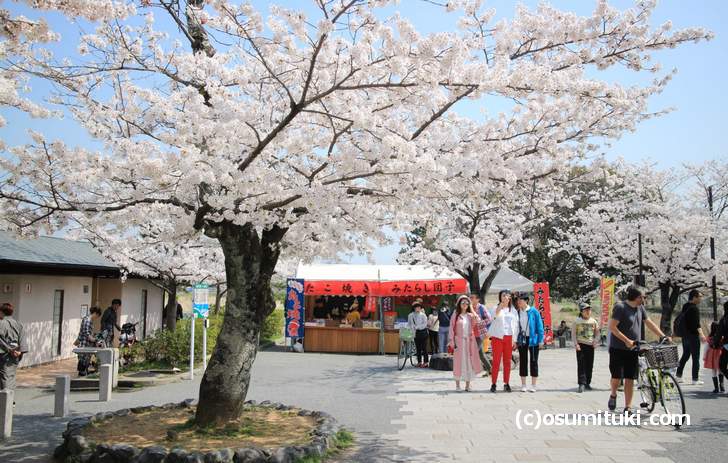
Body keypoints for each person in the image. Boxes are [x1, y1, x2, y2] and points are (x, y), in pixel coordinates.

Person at [608, 286, 670, 415]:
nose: (645, 299)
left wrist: (662, 335)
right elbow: (612, 327)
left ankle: (628, 407)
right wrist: (626, 340)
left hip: (634, 348)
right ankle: (613, 394)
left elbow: (649, 322)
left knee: (630, 377)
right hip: (618, 348)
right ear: (637, 297)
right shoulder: (621, 307)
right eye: (643, 296)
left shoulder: (640, 308)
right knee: (616, 376)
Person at [447, 295, 482, 391]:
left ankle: (468, 385)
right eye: (463, 303)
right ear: (459, 304)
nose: (465, 304)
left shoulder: (471, 316)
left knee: (469, 362)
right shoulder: (456, 315)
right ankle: (457, 385)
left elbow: (478, 321)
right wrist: (451, 341)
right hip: (459, 342)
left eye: (467, 303)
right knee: (458, 363)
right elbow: (451, 328)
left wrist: (471, 308)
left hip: (470, 342)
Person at [488, 290, 518, 393]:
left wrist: (515, 339)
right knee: (496, 361)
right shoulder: (494, 308)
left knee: (507, 361)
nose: (505, 297)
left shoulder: (513, 310)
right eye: (503, 295)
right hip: (497, 337)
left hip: (509, 337)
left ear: (510, 298)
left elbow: (516, 326)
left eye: (507, 296)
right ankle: (493, 383)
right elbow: (492, 317)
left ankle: (506, 383)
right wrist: (500, 306)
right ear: (500, 297)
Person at [676, 289, 707, 385]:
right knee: (695, 357)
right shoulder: (694, 308)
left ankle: (678, 375)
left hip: (685, 336)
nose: (701, 299)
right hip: (693, 336)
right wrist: (702, 335)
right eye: (700, 297)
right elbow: (697, 324)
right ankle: (695, 379)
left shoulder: (685, 306)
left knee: (685, 355)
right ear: (694, 297)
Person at [515, 294, 544, 393]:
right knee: (523, 361)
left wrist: (541, 340)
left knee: (533, 361)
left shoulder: (534, 311)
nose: (518, 302)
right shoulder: (517, 312)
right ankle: (523, 385)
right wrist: (515, 341)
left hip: (533, 340)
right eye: (518, 300)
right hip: (522, 339)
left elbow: (540, 326)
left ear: (526, 301)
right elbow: (516, 328)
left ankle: (533, 385)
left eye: (520, 300)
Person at [0, 303, 29, 391]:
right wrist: (20, 352)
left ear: (1, 312)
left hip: (4, 354)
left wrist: (9, 349)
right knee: (11, 376)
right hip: (16, 354)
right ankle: (10, 401)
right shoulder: (18, 324)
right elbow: (23, 339)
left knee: (5, 377)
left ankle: (6, 401)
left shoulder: (2, 323)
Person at [573, 302, 600, 393]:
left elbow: (597, 333)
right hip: (581, 345)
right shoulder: (577, 321)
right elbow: (573, 334)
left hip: (590, 345)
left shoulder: (593, 321)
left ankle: (588, 382)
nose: (588, 312)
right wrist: (576, 344)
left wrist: (595, 341)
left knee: (589, 364)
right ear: (581, 311)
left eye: (589, 310)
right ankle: (581, 383)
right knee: (581, 365)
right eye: (586, 310)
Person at [73, 306, 102, 376]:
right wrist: (93, 339)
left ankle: (83, 373)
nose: (96, 318)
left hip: (87, 344)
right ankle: (81, 376)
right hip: (84, 344)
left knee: (86, 361)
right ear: (95, 313)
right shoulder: (87, 320)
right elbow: (86, 333)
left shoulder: (89, 320)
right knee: (83, 361)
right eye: (97, 316)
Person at [469, 293, 492, 375]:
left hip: (480, 334)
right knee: (481, 354)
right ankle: (490, 370)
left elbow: (489, 319)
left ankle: (470, 372)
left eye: (472, 297)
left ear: (477, 299)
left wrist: (478, 323)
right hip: (471, 334)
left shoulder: (481, 308)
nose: (470, 299)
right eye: (470, 297)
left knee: (473, 351)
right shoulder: (469, 308)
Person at [408, 301, 429, 367]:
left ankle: (426, 362)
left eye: (419, 307)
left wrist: (417, 327)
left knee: (424, 348)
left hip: (423, 332)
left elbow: (425, 324)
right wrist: (411, 328)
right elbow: (409, 324)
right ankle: (419, 362)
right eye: (417, 307)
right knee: (418, 348)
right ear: (414, 308)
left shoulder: (423, 315)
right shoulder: (410, 315)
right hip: (415, 333)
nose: (418, 308)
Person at [703, 321, 723, 393]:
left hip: (712, 354)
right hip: (719, 354)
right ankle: (722, 386)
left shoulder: (710, 337)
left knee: (713, 371)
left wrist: (704, 356)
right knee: (720, 370)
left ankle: (716, 388)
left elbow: (706, 347)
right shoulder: (721, 337)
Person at [718, 300, 728, 391]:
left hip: (727, 345)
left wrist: (715, 344)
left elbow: (719, 333)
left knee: (722, 366)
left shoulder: (724, 319)